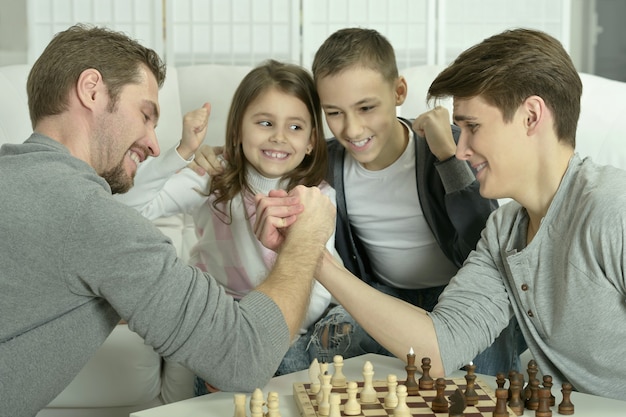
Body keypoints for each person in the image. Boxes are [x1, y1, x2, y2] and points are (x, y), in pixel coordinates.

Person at [256, 28, 626, 400]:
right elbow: (441, 344)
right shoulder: (503, 231)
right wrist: (312, 256)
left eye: (472, 127)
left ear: (531, 116)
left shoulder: (614, 209)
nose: (459, 149)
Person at [0, 24, 336, 417]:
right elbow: (244, 357)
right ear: (91, 90)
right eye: (146, 115)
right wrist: (305, 239)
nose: (155, 144)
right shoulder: (93, 218)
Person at [307, 27, 523, 375]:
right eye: (334, 112)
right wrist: (212, 159)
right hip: (384, 298)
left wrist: (448, 158)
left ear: (399, 92)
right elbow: (262, 160)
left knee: (478, 372)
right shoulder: (327, 162)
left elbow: (482, 241)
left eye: (366, 107)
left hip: (458, 297)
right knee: (328, 342)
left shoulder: (452, 145)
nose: (351, 129)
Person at [116, 59, 337, 394]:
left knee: (293, 372)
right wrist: (182, 153)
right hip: (219, 316)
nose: (278, 137)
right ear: (237, 131)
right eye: (265, 122)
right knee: (222, 376)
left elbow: (321, 287)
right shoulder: (213, 179)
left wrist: (279, 329)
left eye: (295, 127)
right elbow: (129, 207)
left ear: (310, 141)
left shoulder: (318, 199)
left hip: (283, 319)